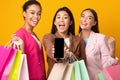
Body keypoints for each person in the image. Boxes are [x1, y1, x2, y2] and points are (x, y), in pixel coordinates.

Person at [42, 6, 86, 77]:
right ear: (55, 22)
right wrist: (62, 55)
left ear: (70, 22)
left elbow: (83, 63)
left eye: (65, 17)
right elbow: (51, 50)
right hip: (56, 77)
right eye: (58, 17)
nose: (61, 20)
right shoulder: (49, 37)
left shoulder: (79, 40)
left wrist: (70, 56)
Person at [78, 8, 118, 80]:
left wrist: (112, 50)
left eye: (89, 18)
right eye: (83, 16)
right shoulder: (74, 39)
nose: (84, 19)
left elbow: (107, 66)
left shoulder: (100, 38)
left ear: (94, 23)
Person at [11, 0, 47, 80]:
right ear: (24, 13)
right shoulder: (19, 35)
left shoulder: (33, 34)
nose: (36, 17)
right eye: (32, 13)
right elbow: (18, 63)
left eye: (39, 14)